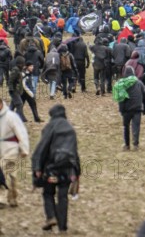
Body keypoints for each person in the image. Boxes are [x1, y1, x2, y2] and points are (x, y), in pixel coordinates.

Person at [31, 104, 81, 233]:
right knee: (63, 196)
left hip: (51, 168)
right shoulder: (70, 128)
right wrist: (78, 171)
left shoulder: (50, 127)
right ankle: (63, 227)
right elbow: (75, 152)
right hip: (68, 169)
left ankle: (51, 217)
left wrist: (37, 168)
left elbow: (42, 149)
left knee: (48, 193)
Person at [0, 98, 29, 208]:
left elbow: (21, 132)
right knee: (9, 174)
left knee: (3, 172)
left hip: (11, 148)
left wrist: (24, 148)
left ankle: (5, 198)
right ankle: (9, 198)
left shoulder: (11, 116)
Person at [114, 66, 145, 151]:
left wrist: (121, 110)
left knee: (126, 127)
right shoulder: (139, 83)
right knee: (136, 127)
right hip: (137, 108)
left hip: (126, 109)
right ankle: (136, 145)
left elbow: (121, 99)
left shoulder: (122, 84)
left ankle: (126, 145)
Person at [8, 56, 26, 121]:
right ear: (20, 64)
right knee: (19, 104)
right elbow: (10, 80)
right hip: (14, 90)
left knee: (12, 106)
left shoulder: (19, 70)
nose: (24, 65)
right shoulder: (15, 70)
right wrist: (11, 89)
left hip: (17, 91)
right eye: (23, 64)